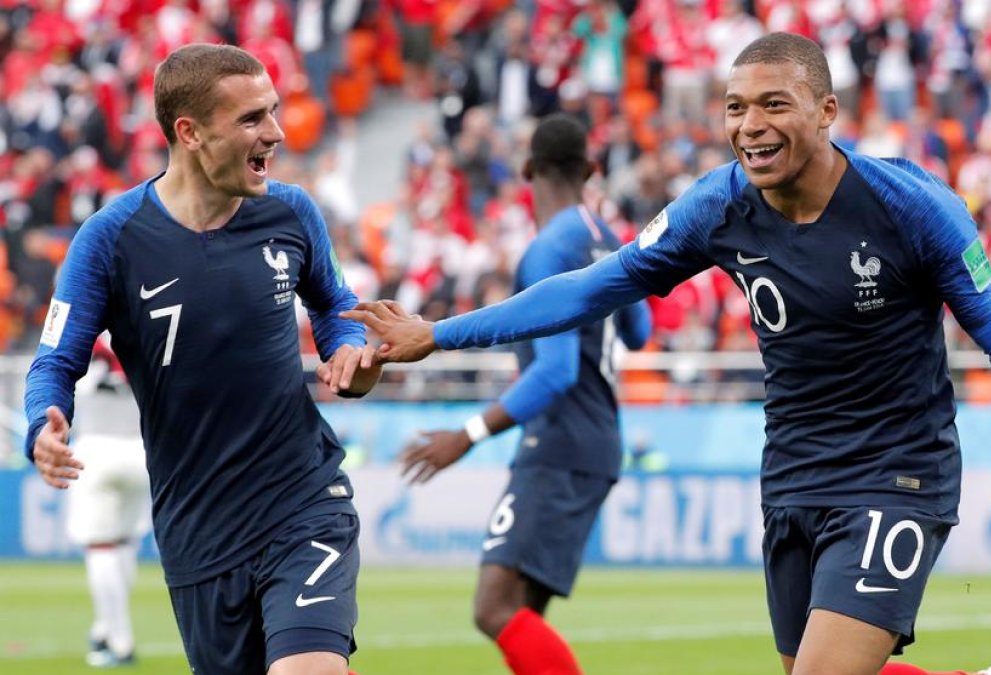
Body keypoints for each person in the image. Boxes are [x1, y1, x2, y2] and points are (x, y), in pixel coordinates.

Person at [344, 32, 991, 675]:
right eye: (736, 108)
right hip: (794, 476)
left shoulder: (912, 207)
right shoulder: (717, 206)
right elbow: (596, 287)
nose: (750, 126)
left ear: (827, 111)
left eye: (774, 104)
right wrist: (439, 333)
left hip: (896, 476)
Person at [25, 44, 381, 675]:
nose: (274, 132)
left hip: (303, 500)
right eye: (250, 119)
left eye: (272, 112)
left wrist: (350, 352)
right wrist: (43, 422)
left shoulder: (291, 211)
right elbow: (54, 361)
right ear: (188, 132)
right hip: (199, 531)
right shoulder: (111, 239)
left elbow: (334, 305)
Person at [400, 113, 652, 675]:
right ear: (590, 169)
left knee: (493, 608)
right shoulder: (608, 242)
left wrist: (466, 435)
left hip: (559, 444)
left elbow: (555, 372)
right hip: (597, 440)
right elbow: (639, 332)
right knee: (521, 614)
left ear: (528, 170)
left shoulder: (547, 250)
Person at [68, 337, 151, 668]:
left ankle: (119, 639)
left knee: (101, 546)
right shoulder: (143, 328)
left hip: (98, 447)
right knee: (124, 542)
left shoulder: (84, 335)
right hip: (139, 448)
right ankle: (105, 628)